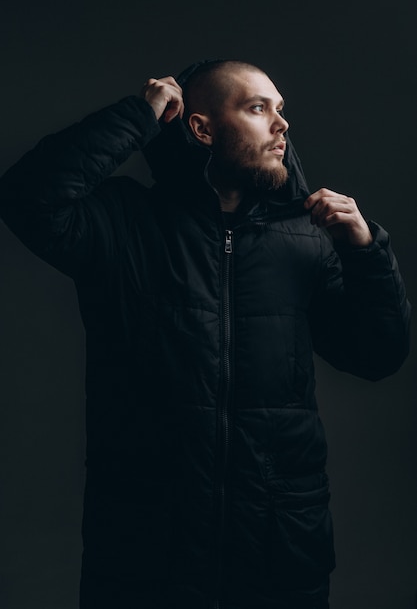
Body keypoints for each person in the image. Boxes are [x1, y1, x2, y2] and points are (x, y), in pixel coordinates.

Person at [0, 59, 410, 609]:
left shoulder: (308, 240)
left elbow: (377, 355)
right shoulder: (124, 223)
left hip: (279, 552)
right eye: (257, 108)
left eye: (280, 109)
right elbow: (28, 196)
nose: (281, 125)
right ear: (201, 128)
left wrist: (367, 254)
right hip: (146, 552)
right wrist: (137, 116)